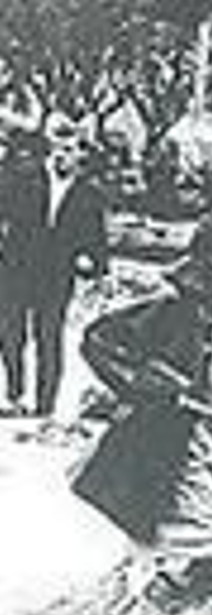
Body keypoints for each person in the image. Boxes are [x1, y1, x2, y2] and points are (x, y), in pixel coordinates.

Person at [70, 209, 212, 611]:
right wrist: (154, 380)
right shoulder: (167, 305)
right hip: (167, 431)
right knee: (199, 513)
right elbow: (99, 341)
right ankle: (164, 587)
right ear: (204, 260)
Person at [0, 113, 108, 418]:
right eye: (58, 149)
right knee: (10, 333)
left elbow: (97, 239)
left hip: (56, 277)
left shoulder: (90, 195)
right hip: (16, 270)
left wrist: (95, 264)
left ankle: (44, 405)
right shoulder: (24, 180)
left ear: (82, 155)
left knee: (48, 337)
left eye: (71, 150)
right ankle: (14, 394)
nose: (63, 155)